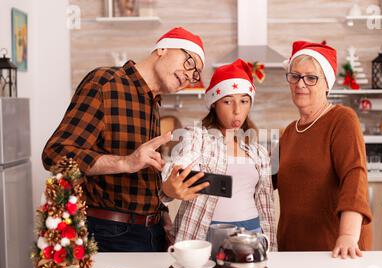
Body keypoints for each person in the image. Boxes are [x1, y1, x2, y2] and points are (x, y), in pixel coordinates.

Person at [42, 27, 205, 252]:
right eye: (189, 62)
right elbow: (55, 154)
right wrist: (125, 162)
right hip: (111, 233)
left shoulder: (152, 102)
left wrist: (162, 212)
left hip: (152, 230)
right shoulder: (106, 83)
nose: (189, 75)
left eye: (196, 74)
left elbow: (142, 173)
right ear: (163, 48)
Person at [160, 59, 277, 250]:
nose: (237, 110)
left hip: (252, 234)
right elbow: (181, 164)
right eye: (228, 101)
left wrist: (272, 250)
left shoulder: (258, 151)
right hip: (206, 236)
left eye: (244, 101)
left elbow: (266, 206)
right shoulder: (198, 137)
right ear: (214, 104)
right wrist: (170, 185)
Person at [274, 41, 372, 258]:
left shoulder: (342, 119)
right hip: (293, 251)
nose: (301, 84)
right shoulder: (290, 132)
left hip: (336, 250)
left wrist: (347, 235)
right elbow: (261, 178)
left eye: (311, 78)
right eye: (295, 76)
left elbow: (354, 176)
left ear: (327, 83)